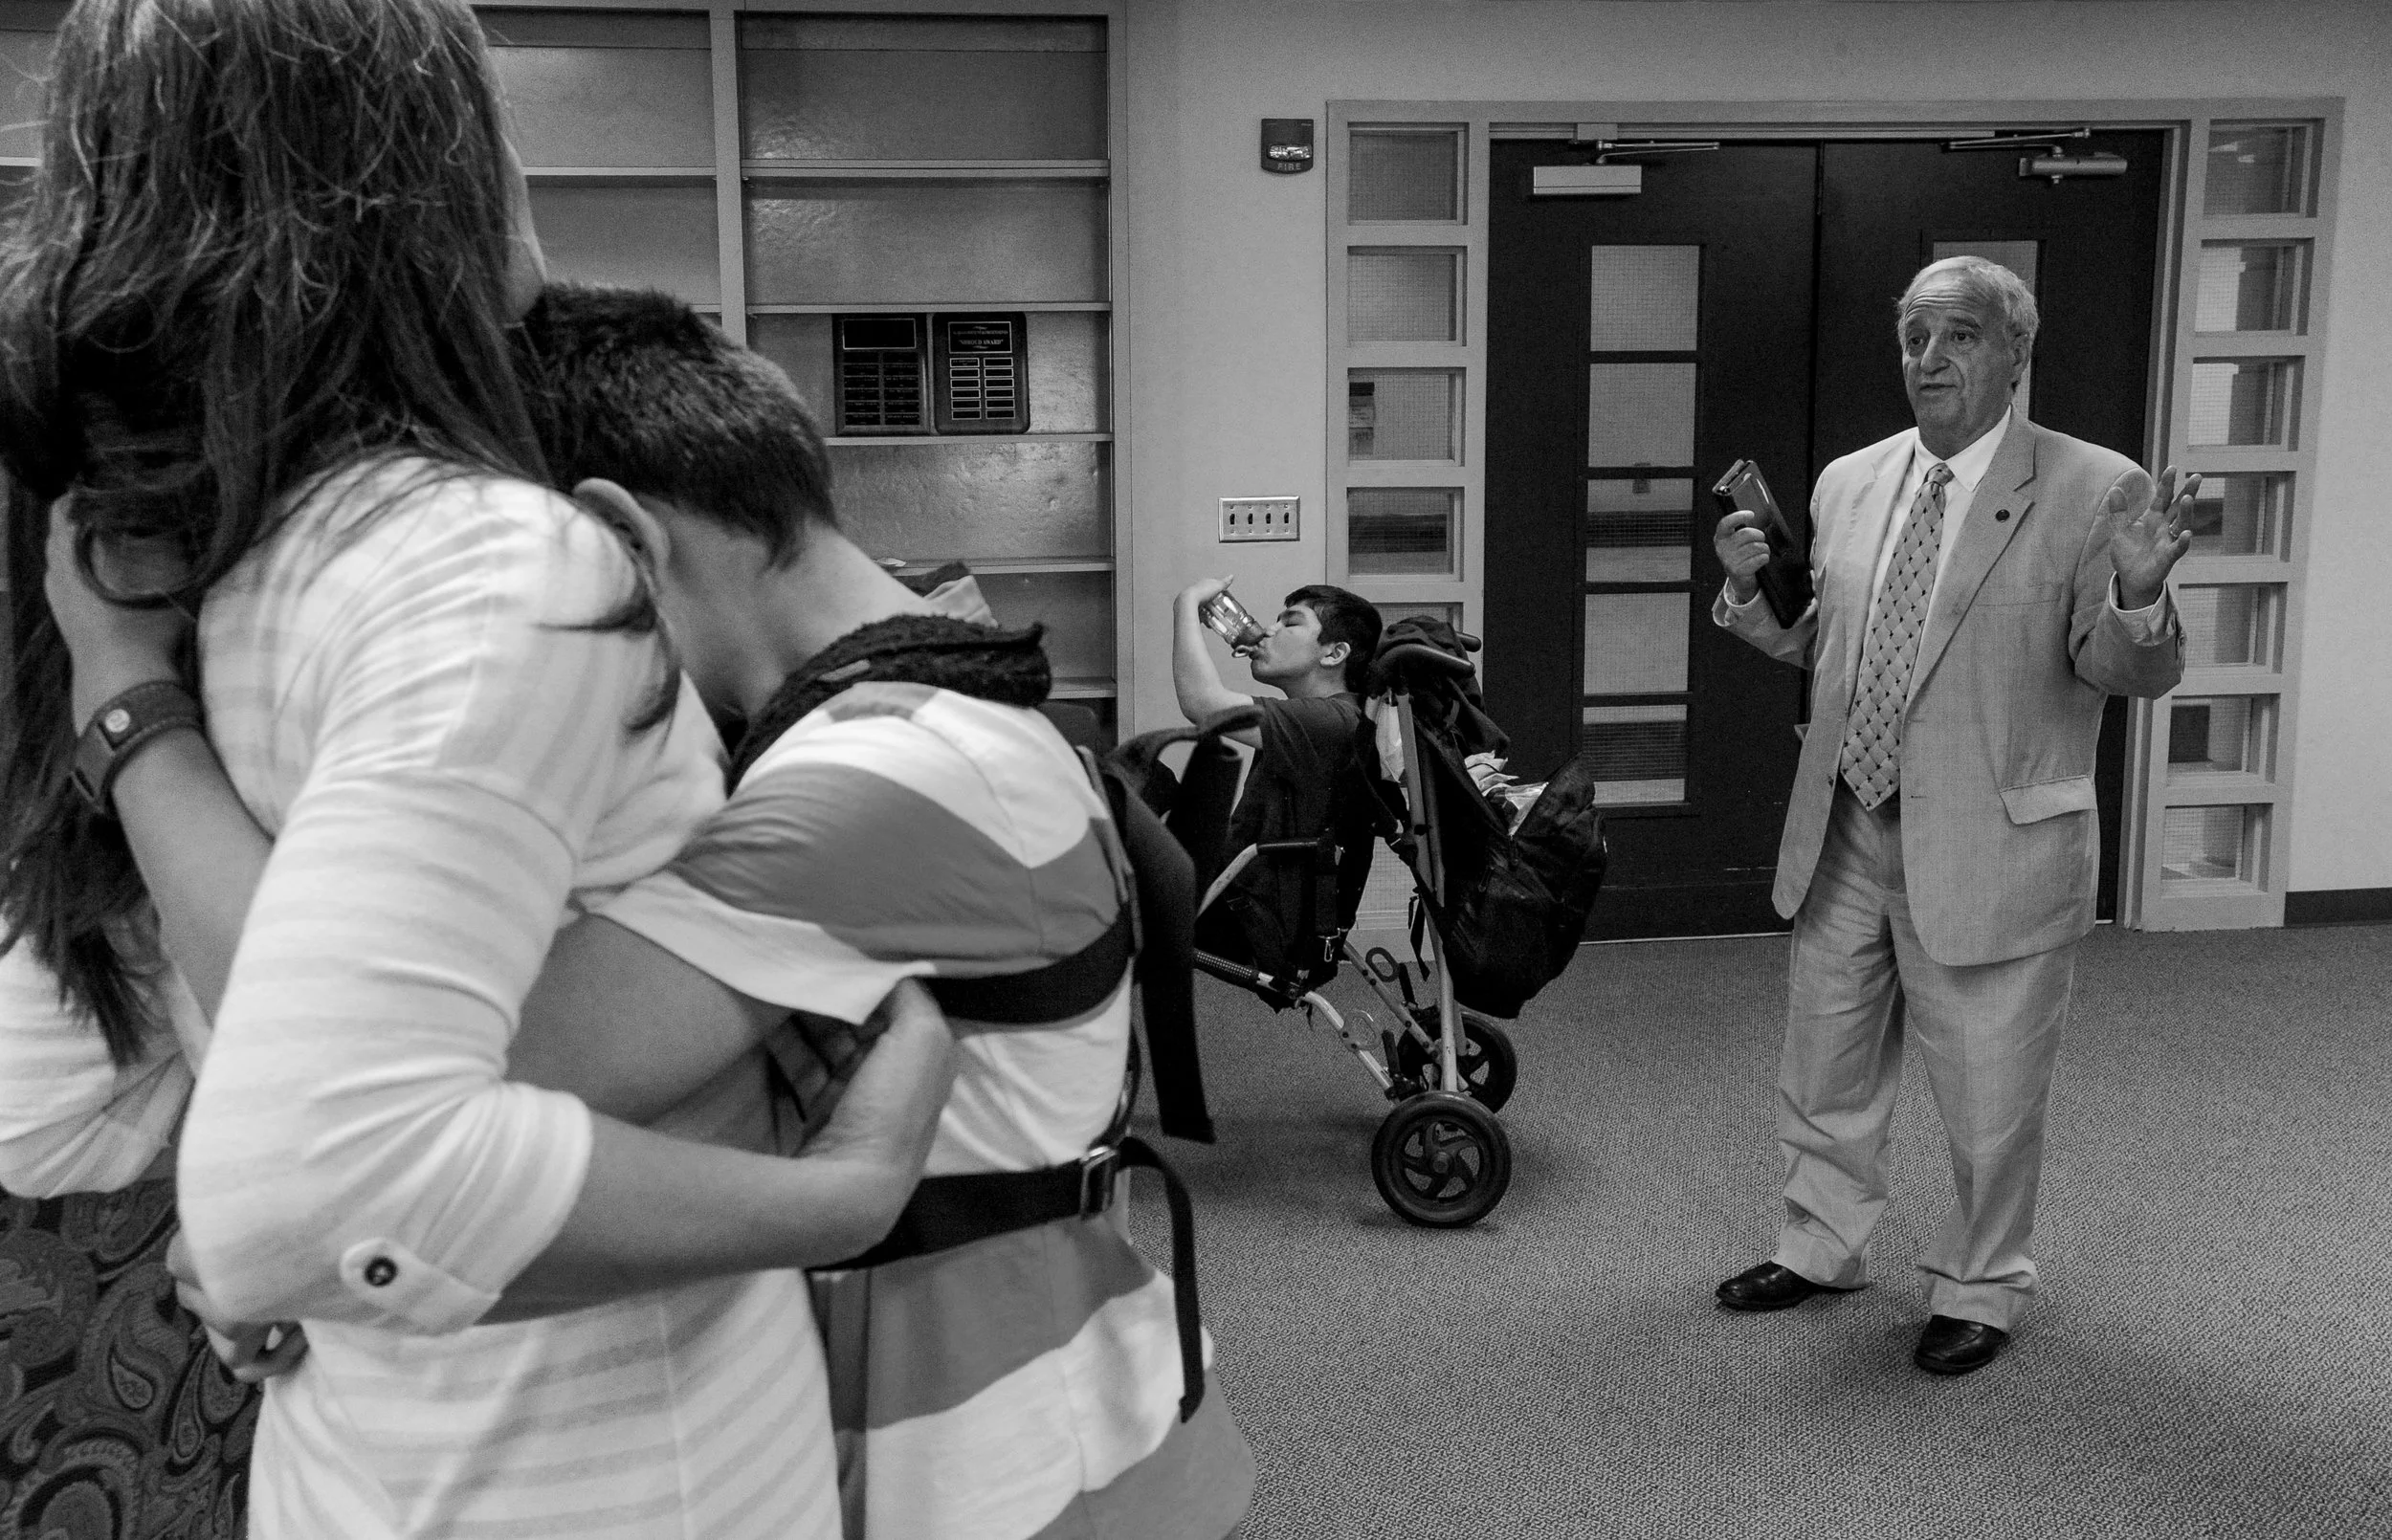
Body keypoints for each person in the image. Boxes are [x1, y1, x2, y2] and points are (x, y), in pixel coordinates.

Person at [47, 281, 1257, 1540]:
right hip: (1022, 1440)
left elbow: (353, 1075)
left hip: (1018, 1481)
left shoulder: (887, 778)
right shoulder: (936, 717)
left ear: (611, 540)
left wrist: (128, 699)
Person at [2, 3, 950, 1534]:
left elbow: (55, 1115)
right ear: (421, 176)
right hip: (629, 1479)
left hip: (353, 1465)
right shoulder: (491, 568)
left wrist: (128, 717)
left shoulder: (161, 584)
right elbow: (332, 1182)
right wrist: (837, 1198)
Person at [1709, 254, 2193, 1375]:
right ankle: (1819, 1242)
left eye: (1960, 335)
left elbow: (2123, 671)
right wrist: (1750, 589)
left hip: (1992, 841)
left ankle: (1981, 1284)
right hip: (1845, 824)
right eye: (1914, 337)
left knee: (1987, 1092)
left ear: (2018, 351)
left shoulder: (2093, 487)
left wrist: (2133, 592)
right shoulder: (1848, 480)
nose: (1929, 359)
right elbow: (1826, 648)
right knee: (1822, 1063)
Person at [1171, 580, 1384, 982]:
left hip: (1252, 924)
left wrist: (1186, 603)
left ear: (1335, 653)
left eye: (1290, 623)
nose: (1268, 630)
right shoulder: (1321, 716)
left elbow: (1202, 703)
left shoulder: (1331, 721)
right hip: (1244, 902)